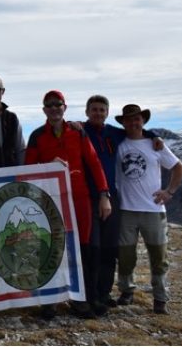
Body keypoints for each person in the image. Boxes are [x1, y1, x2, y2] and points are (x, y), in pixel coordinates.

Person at [25, 90, 112, 319]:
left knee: (84, 250)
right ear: (44, 109)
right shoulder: (36, 136)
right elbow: (28, 170)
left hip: (80, 198)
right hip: (50, 201)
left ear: (65, 107)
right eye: (49, 105)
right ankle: (50, 300)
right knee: (52, 249)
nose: (54, 108)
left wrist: (104, 195)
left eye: (58, 104)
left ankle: (81, 299)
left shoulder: (77, 132)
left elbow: (94, 163)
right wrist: (48, 165)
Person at [83, 95, 163, 309]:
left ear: (107, 113)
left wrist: (153, 134)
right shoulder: (79, 131)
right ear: (87, 112)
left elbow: (136, 131)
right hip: (88, 196)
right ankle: (90, 294)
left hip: (112, 197)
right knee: (94, 247)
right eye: (94, 109)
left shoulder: (114, 133)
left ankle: (105, 292)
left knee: (110, 248)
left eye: (102, 109)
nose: (98, 113)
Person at [114, 104, 182, 315]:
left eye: (137, 119)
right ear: (123, 123)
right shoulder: (118, 144)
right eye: (129, 120)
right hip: (126, 210)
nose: (133, 123)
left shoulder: (155, 145)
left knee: (158, 256)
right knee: (126, 256)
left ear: (143, 121)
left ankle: (160, 299)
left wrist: (169, 192)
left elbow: (178, 167)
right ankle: (126, 291)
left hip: (154, 210)